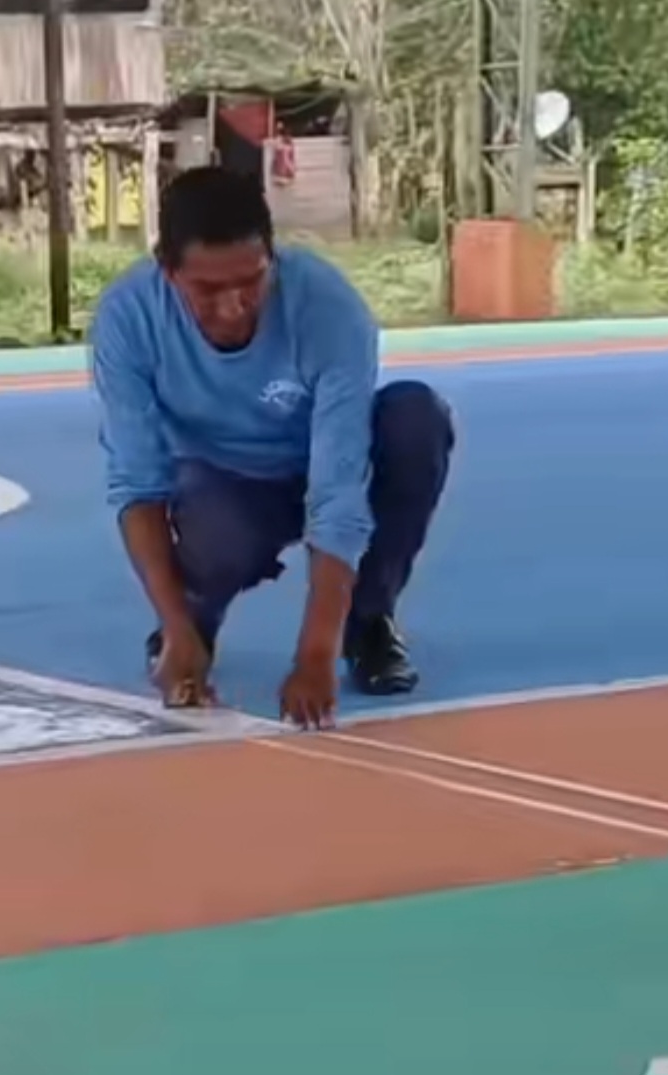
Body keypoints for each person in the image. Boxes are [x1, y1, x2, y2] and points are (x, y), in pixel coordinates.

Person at [90, 166, 454, 729]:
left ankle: (367, 621)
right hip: (222, 481)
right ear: (167, 271)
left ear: (273, 258)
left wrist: (315, 653)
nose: (234, 307)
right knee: (217, 529)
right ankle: (190, 626)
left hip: (318, 460)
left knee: (416, 418)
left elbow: (338, 490)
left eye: (251, 282)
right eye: (208, 290)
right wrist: (174, 621)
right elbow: (137, 484)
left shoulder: (329, 308)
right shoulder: (127, 318)